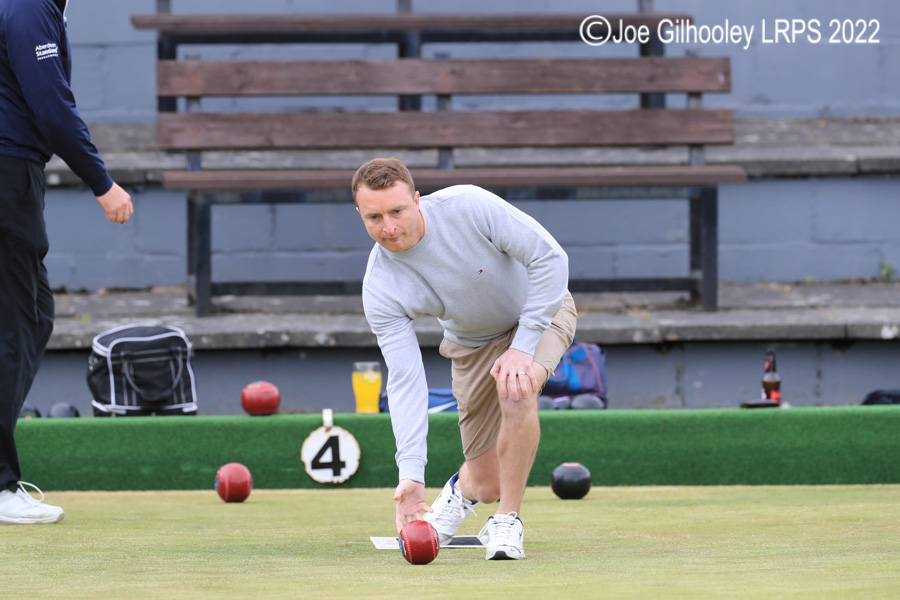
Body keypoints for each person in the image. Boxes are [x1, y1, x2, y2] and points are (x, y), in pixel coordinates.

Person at [352, 158, 576, 560]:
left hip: (540, 313)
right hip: (470, 345)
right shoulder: (380, 287)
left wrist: (522, 347)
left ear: (417, 200)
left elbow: (551, 259)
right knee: (487, 484)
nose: (388, 227)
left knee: (517, 386)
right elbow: (405, 380)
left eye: (397, 211)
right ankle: (460, 492)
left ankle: (508, 522)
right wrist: (412, 474)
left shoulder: (468, 205)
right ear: (360, 215)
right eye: (374, 217)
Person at [0, 0, 133, 524]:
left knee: (33, 310)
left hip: (13, 168)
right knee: (17, 321)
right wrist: (103, 182)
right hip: (8, 173)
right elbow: (52, 107)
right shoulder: (29, 4)